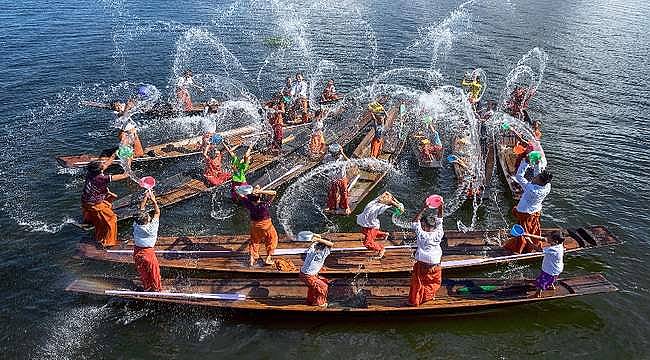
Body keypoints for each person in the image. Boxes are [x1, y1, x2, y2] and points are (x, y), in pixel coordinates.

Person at [503, 159, 553, 254]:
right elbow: (538, 175)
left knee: (523, 231)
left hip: (524, 212)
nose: (534, 178)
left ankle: (520, 248)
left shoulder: (531, 189)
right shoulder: (547, 186)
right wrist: (537, 165)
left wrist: (525, 163)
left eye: (536, 178)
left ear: (539, 181)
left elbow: (519, 176)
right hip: (535, 211)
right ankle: (534, 244)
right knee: (534, 228)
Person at [81, 161, 130, 247]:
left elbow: (106, 164)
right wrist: (128, 161)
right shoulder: (101, 178)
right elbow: (124, 175)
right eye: (102, 164)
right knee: (112, 218)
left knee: (108, 203)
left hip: (86, 201)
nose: (104, 164)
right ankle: (108, 242)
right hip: (94, 204)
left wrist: (114, 155)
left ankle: (89, 220)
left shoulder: (90, 173)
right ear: (100, 170)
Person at [408, 198, 445, 306]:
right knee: (432, 283)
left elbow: (415, 221)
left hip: (422, 263)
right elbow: (440, 219)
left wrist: (423, 208)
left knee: (419, 282)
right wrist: (440, 207)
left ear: (424, 225)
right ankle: (428, 296)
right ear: (433, 226)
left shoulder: (421, 234)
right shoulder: (439, 233)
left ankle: (417, 299)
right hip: (435, 263)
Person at [238, 185, 279, 266]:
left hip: (255, 225)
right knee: (272, 239)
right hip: (266, 225)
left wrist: (239, 189)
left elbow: (240, 194)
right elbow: (274, 193)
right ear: (259, 197)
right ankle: (268, 257)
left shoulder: (248, 204)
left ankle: (252, 258)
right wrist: (261, 191)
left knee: (254, 241)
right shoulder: (264, 205)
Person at [356, 192, 404, 258]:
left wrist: (396, 204)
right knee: (365, 232)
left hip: (371, 226)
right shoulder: (376, 200)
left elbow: (395, 205)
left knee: (367, 243)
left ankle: (381, 249)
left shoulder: (382, 207)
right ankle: (384, 234)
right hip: (365, 223)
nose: (382, 197)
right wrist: (396, 200)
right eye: (383, 197)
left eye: (384, 198)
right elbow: (386, 192)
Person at [132, 191, 162, 292]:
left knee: (143, 271)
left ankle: (147, 286)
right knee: (154, 272)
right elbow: (157, 212)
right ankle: (157, 289)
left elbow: (141, 210)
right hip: (148, 253)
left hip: (137, 252)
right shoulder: (152, 228)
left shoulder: (136, 224)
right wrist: (154, 201)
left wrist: (145, 197)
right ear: (148, 220)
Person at [299, 235, 334, 307]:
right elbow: (331, 244)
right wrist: (319, 239)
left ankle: (310, 301)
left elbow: (315, 242)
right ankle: (320, 304)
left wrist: (317, 239)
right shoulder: (324, 252)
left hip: (303, 274)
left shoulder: (312, 249)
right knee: (323, 287)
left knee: (313, 286)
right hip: (308, 276)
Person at [535, 231, 565, 298]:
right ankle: (551, 286)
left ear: (556, 241)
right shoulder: (560, 244)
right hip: (557, 268)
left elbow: (538, 250)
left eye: (549, 238)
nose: (547, 238)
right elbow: (543, 239)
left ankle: (538, 294)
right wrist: (527, 235)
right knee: (552, 278)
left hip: (550, 270)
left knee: (541, 283)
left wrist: (528, 240)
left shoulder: (553, 249)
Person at [324, 144, 351, 215]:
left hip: (342, 179)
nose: (336, 156)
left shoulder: (342, 157)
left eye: (337, 154)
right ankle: (332, 207)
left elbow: (349, 162)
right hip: (333, 179)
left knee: (344, 193)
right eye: (334, 154)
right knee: (332, 193)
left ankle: (345, 207)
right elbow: (321, 161)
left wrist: (342, 153)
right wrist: (325, 152)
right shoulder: (328, 157)